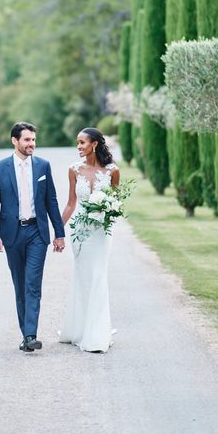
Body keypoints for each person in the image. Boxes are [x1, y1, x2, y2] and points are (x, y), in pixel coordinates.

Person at [0, 121, 65, 352]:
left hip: (37, 234)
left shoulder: (43, 166)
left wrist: (59, 234)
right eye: (27, 140)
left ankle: (31, 335)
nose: (32, 144)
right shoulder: (0, 168)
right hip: (11, 234)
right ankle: (25, 335)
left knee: (32, 284)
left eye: (33, 140)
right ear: (15, 141)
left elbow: (51, 200)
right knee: (20, 285)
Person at [59, 127, 119, 353]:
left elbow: (116, 202)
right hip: (80, 232)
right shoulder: (74, 170)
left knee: (98, 276)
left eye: (82, 142)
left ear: (94, 144)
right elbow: (70, 204)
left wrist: (109, 211)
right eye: (77, 143)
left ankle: (97, 333)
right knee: (83, 278)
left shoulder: (113, 171)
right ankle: (81, 328)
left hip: (102, 233)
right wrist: (58, 230)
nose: (79, 147)